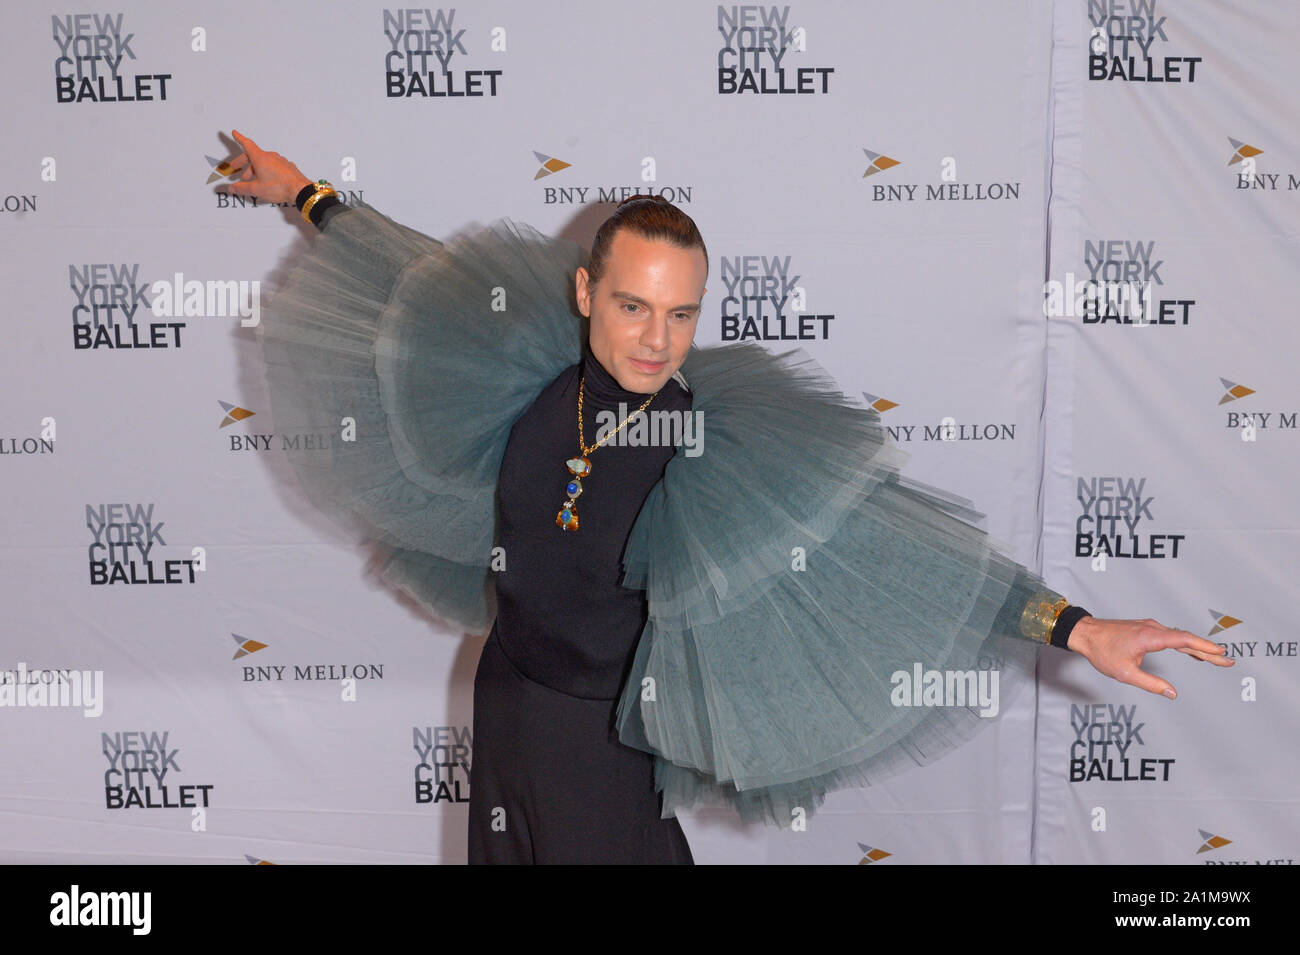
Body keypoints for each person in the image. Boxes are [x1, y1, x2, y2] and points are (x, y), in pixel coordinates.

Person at [222, 129, 1234, 864]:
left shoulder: (711, 440)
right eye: (631, 306)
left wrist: (1073, 625)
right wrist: (302, 193)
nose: (655, 338)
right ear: (584, 294)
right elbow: (412, 281)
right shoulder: (524, 369)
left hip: (602, 743)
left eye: (679, 312)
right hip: (506, 705)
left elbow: (896, 546)